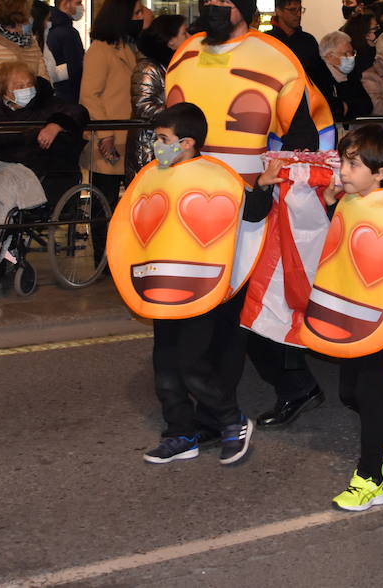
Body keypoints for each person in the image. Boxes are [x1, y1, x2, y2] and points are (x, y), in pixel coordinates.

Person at [165, 0, 335, 427]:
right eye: (209, 0)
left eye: (225, 1)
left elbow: (306, 135)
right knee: (214, 305)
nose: (214, 8)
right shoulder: (184, 55)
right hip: (191, 202)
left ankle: (241, 403)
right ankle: (272, 391)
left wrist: (283, 191)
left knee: (248, 301)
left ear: (246, 7)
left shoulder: (277, 58)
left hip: (250, 205)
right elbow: (169, 129)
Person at [110, 103, 279, 467]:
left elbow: (251, 214)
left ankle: (231, 420)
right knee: (165, 365)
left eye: (162, 139)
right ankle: (179, 433)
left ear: (187, 142)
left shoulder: (216, 175)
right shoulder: (151, 175)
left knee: (190, 362)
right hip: (160, 286)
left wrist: (262, 188)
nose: (156, 145)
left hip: (201, 291)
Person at [302, 125, 383, 511]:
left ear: (380, 173)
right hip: (350, 315)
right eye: (343, 160)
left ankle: (370, 480)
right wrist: (327, 204)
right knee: (349, 394)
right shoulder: (348, 201)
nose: (343, 170)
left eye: (353, 164)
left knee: (369, 397)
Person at [0, 61, 88, 293]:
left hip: (38, 173)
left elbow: (79, 112)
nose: (26, 88)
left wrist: (56, 125)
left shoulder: (48, 105)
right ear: (4, 92)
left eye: (28, 84)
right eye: (18, 85)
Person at [80, 0, 144, 238]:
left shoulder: (128, 47)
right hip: (107, 140)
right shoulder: (100, 50)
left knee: (122, 203)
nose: (140, 17)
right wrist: (105, 133)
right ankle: (102, 258)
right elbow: (89, 95)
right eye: (136, 12)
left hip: (127, 136)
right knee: (103, 203)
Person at [127, 14, 188, 181]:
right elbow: (143, 106)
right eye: (184, 33)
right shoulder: (148, 68)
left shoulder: (173, 65)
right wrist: (178, 111)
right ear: (170, 41)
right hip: (150, 146)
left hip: (169, 143)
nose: (189, 37)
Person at [266, 0, 337, 113]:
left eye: (300, 10)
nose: (298, 14)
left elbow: (321, 77)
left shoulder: (308, 41)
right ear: (278, 11)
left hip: (307, 106)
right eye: (293, 10)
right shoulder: (268, 41)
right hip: (274, 105)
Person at [43, 0, 86, 103]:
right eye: (78, 3)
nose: (81, 7)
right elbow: (75, 71)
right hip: (69, 96)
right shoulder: (69, 33)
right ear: (66, 4)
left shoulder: (48, 27)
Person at [319, 29, 371, 122]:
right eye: (346, 53)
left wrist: (346, 107)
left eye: (352, 53)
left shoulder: (352, 74)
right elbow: (327, 110)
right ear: (330, 56)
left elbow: (367, 105)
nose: (351, 57)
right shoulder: (317, 76)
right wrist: (347, 107)